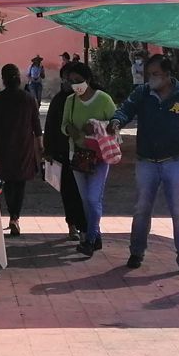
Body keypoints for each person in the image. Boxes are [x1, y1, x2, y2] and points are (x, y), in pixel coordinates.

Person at [108, 53, 179, 276]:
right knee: (142, 209)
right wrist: (116, 120)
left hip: (176, 161)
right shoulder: (142, 93)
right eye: (148, 74)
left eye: (155, 74)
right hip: (146, 162)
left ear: (168, 74)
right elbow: (125, 110)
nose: (151, 78)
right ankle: (136, 252)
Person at [60, 62, 116, 257]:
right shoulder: (70, 101)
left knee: (93, 198)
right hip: (78, 156)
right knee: (86, 199)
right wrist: (71, 130)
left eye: (78, 81)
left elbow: (116, 125)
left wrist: (98, 126)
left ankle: (90, 239)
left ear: (89, 79)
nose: (75, 85)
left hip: (100, 156)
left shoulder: (104, 100)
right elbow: (64, 125)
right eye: (71, 82)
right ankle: (95, 233)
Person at [0, 63, 43, 237]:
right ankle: (15, 216)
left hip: (4, 144)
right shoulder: (28, 98)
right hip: (24, 145)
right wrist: (40, 146)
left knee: (8, 181)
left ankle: (12, 214)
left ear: (3, 79)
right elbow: (36, 125)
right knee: (20, 182)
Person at [43, 59, 89, 241]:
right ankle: (72, 224)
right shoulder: (59, 100)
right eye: (66, 79)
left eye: (72, 79)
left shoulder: (88, 98)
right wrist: (48, 149)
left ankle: (86, 226)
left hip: (84, 151)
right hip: (63, 151)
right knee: (68, 190)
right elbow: (51, 124)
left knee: (84, 192)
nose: (68, 83)